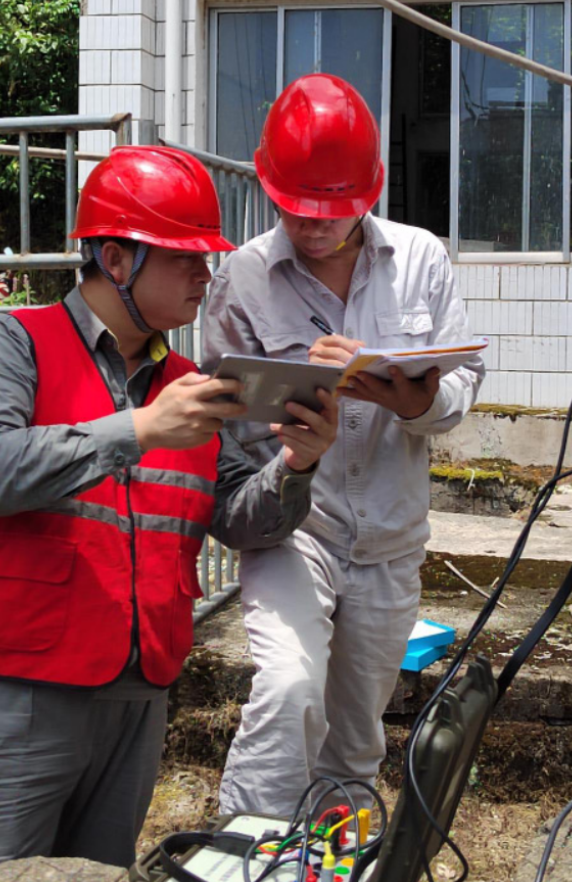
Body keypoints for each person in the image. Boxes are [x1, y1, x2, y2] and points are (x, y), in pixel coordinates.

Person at [0, 145, 339, 882]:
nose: (206, 277)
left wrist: (298, 464)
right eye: (185, 259)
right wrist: (138, 430)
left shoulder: (191, 383)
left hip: (134, 697)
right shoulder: (16, 345)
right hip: (11, 692)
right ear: (115, 259)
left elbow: (241, 519)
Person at [201, 73, 485, 816]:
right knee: (290, 689)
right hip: (299, 527)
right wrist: (285, 429)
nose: (315, 226)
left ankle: (329, 852)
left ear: (370, 192)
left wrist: (409, 395)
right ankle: (248, 847)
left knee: (357, 735)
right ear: (272, 190)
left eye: (333, 212)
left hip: (390, 537)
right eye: (297, 211)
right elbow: (227, 427)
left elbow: (460, 387)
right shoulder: (244, 279)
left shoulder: (421, 259)